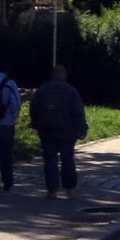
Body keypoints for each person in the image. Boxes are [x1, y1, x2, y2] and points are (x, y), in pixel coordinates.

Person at [30, 65, 88, 199]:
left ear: (52, 75)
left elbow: (34, 109)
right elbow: (78, 111)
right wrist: (81, 128)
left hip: (46, 131)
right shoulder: (70, 90)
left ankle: (52, 190)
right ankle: (70, 189)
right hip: (67, 132)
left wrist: (36, 124)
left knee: (50, 160)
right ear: (64, 75)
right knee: (67, 159)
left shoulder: (42, 90)